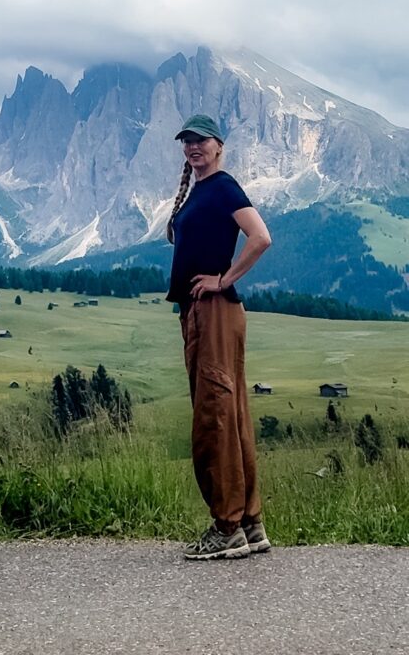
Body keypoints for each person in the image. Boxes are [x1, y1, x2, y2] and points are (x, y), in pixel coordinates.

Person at [165, 115, 272, 560]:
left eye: (201, 140)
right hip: (203, 313)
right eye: (187, 141)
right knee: (230, 411)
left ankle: (227, 527)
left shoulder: (224, 186)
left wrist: (223, 280)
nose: (193, 147)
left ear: (219, 145)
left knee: (215, 416)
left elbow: (260, 237)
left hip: (214, 311)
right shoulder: (199, 190)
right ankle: (250, 523)